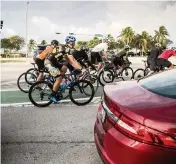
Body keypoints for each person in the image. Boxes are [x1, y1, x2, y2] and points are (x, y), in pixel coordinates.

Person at [44, 36, 82, 103]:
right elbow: (72, 60)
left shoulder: (65, 47)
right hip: (49, 63)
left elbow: (67, 60)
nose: (72, 44)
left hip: (54, 62)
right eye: (71, 42)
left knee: (64, 68)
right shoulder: (67, 49)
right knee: (59, 79)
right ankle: (52, 96)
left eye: (73, 42)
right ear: (67, 42)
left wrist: (73, 67)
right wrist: (80, 68)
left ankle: (55, 83)